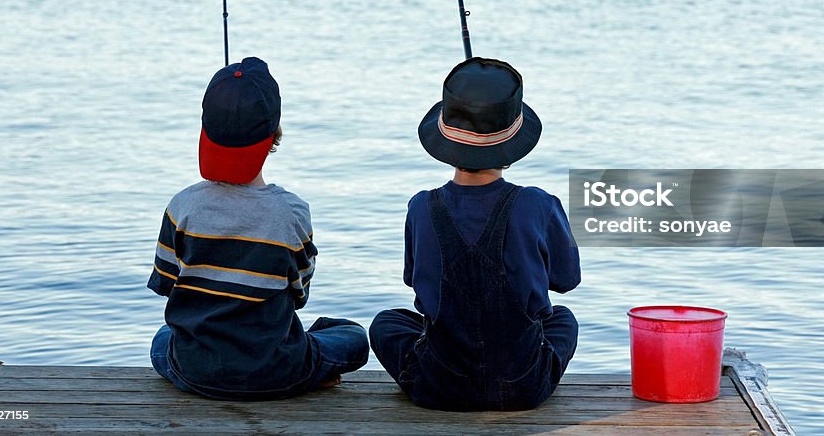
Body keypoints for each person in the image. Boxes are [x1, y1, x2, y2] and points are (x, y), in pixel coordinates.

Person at [147, 56, 369, 400]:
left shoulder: (182, 206)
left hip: (195, 369)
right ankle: (310, 368)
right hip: (275, 371)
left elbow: (166, 284)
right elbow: (298, 294)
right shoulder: (291, 212)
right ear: (274, 134)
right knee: (353, 337)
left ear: (206, 131)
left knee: (163, 338)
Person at [370, 57, 581, 411]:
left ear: (446, 140)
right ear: (512, 142)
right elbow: (566, 280)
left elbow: (414, 281)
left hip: (438, 386)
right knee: (563, 319)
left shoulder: (421, 207)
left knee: (386, 323)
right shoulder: (537, 204)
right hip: (523, 386)